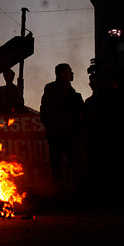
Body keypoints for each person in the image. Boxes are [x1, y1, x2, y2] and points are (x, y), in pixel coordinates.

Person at [39, 63, 84, 199]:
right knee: (57, 166)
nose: (72, 73)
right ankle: (58, 195)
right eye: (69, 71)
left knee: (76, 164)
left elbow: (79, 112)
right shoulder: (51, 89)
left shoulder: (74, 93)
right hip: (56, 134)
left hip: (70, 135)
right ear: (62, 74)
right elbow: (47, 110)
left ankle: (79, 194)